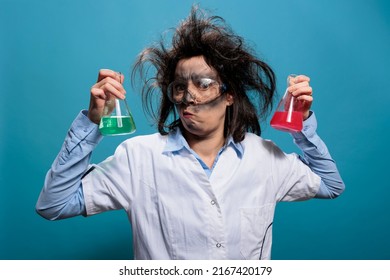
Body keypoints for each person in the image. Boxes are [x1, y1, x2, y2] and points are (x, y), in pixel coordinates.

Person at [36, 6, 345, 260]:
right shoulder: (138, 157)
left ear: (229, 95)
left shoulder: (264, 157)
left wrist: (300, 124)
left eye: (203, 84)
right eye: (180, 86)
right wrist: (92, 122)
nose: (188, 96)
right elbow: (54, 204)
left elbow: (331, 184)